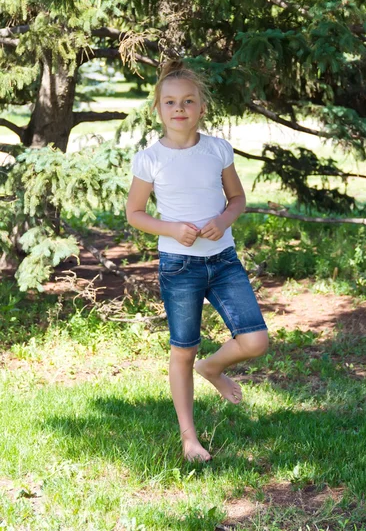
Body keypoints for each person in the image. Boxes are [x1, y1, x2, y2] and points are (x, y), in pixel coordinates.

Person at [126, 60, 268, 462]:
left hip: (223, 260)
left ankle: (213, 368)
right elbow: (135, 213)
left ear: (201, 108)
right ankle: (189, 438)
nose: (179, 108)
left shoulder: (218, 150)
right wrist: (171, 228)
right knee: (182, 350)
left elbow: (237, 199)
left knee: (255, 341)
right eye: (170, 102)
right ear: (158, 110)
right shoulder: (150, 159)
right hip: (179, 267)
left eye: (188, 101)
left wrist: (222, 220)